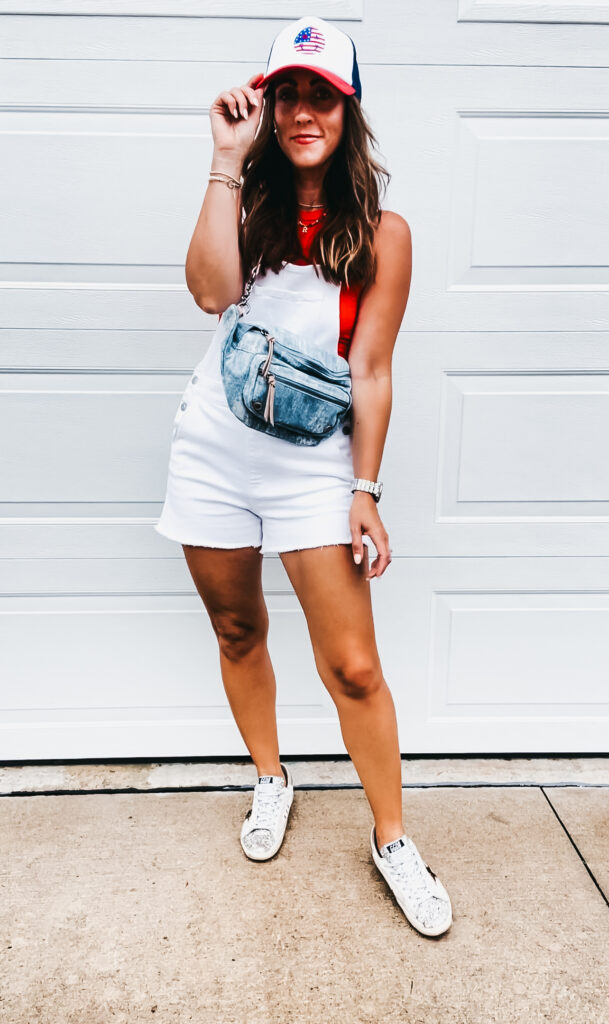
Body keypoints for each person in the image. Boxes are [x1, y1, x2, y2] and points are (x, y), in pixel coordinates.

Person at [154, 15, 452, 937]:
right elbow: (209, 293)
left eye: (320, 94)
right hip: (213, 451)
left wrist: (362, 490)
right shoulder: (244, 201)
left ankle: (392, 838)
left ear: (347, 109)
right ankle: (270, 777)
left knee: (353, 667)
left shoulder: (382, 231)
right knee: (238, 625)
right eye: (287, 92)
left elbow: (371, 369)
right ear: (270, 102)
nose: (300, 110)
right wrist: (223, 158)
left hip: (312, 466)